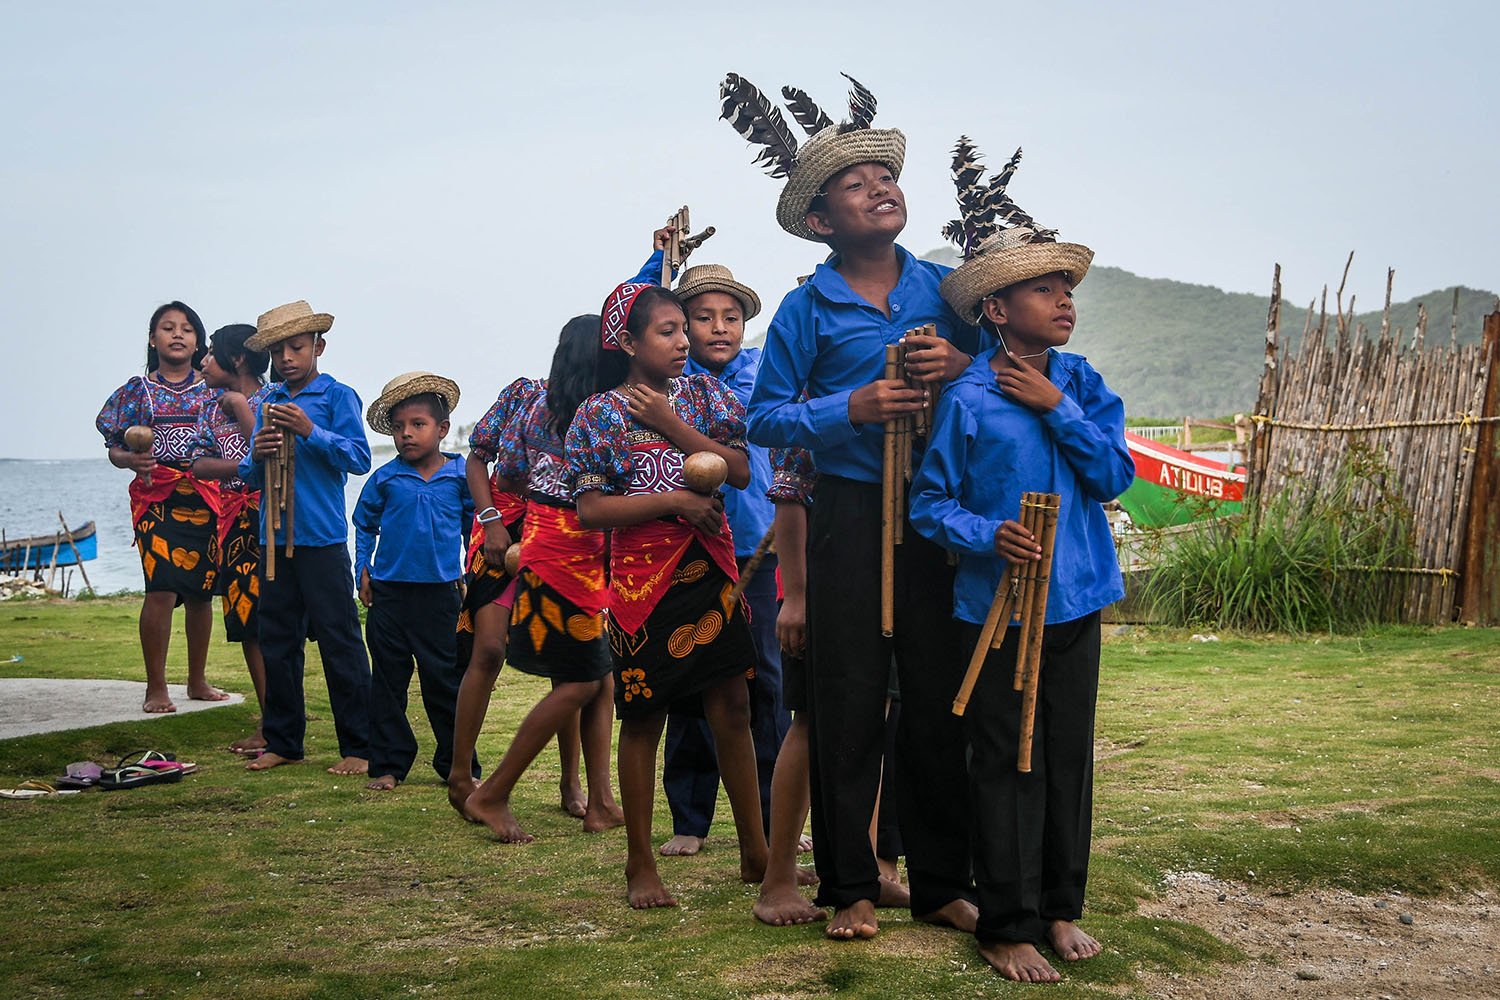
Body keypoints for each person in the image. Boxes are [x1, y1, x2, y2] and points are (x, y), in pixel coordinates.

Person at [718, 72, 982, 939]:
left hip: (937, 514)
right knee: (847, 702)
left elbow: (999, 381)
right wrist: (852, 410)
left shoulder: (949, 293)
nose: (881, 188)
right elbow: (764, 418)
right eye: (855, 184)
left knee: (940, 698)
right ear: (823, 220)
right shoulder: (805, 306)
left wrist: (960, 369)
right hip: (846, 516)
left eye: (887, 177)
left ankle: (942, 881)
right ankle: (851, 885)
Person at [910, 139, 1133, 983]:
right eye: (1045, 289)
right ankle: (1004, 923)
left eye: (1067, 288)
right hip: (997, 609)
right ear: (997, 310)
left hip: (1076, 599)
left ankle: (1060, 909)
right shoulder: (966, 400)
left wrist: (1057, 408)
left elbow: (1114, 476)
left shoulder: (1083, 383)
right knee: (1005, 761)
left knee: (1068, 756)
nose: (1064, 301)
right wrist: (985, 535)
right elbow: (932, 504)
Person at [566, 281, 768, 908]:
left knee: (732, 708)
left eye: (685, 329)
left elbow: (738, 470)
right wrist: (677, 500)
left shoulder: (705, 393)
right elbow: (592, 510)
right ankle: (640, 864)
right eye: (668, 331)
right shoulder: (597, 415)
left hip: (708, 571)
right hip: (640, 585)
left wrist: (671, 424)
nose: (685, 341)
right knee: (644, 719)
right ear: (627, 342)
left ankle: (757, 852)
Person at [464, 316, 624, 841]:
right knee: (580, 681)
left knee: (597, 679)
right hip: (562, 554)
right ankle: (492, 792)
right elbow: (500, 470)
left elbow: (514, 471)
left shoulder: (549, 410)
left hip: (563, 548)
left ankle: (599, 799)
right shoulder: (591, 416)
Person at [653, 261, 788, 859]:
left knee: (765, 684)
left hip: (754, 550)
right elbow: (623, 328)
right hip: (684, 553)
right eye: (702, 317)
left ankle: (774, 812)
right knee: (690, 681)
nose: (718, 328)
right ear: (680, 326)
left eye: (730, 317)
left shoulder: (761, 375)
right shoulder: (663, 386)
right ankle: (690, 817)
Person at [236, 299, 373, 776]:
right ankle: (283, 740)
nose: (288, 358)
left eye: (297, 347)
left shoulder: (338, 397)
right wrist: (256, 452)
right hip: (273, 539)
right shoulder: (268, 400)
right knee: (277, 641)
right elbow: (250, 475)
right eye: (280, 351)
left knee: (340, 642)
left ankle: (359, 746)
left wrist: (311, 431)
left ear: (319, 346)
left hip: (321, 539)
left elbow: (359, 459)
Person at [96, 300, 228, 714]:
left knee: (201, 595)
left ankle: (197, 681)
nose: (177, 334)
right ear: (152, 339)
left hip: (207, 497)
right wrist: (130, 460)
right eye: (167, 328)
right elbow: (114, 448)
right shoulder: (138, 390)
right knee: (160, 589)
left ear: (198, 341)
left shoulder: (214, 389)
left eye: (187, 328)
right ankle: (156, 687)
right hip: (156, 497)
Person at [354, 372, 474, 791]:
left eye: (417, 425)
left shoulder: (460, 478)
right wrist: (361, 570)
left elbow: (471, 530)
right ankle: (387, 764)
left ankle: (457, 766)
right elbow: (363, 524)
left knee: (445, 681)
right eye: (400, 427)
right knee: (388, 682)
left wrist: (471, 578)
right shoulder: (385, 479)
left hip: (441, 595)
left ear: (441, 430)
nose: (407, 434)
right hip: (389, 594)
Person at [448, 377, 541, 819]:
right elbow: (477, 459)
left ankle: (574, 785)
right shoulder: (523, 394)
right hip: (498, 530)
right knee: (487, 650)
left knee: (575, 665)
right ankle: (460, 774)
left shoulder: (603, 406)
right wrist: (492, 519)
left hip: (559, 531)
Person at [188, 323, 272, 750]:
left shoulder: (272, 399)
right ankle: (269, 721)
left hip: (275, 519)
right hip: (235, 522)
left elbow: (265, 449)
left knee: (281, 620)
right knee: (248, 622)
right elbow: (198, 466)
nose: (202, 362)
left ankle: (280, 721)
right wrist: (243, 471)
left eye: (210, 354)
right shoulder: (207, 408)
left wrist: (241, 408)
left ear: (237, 358)